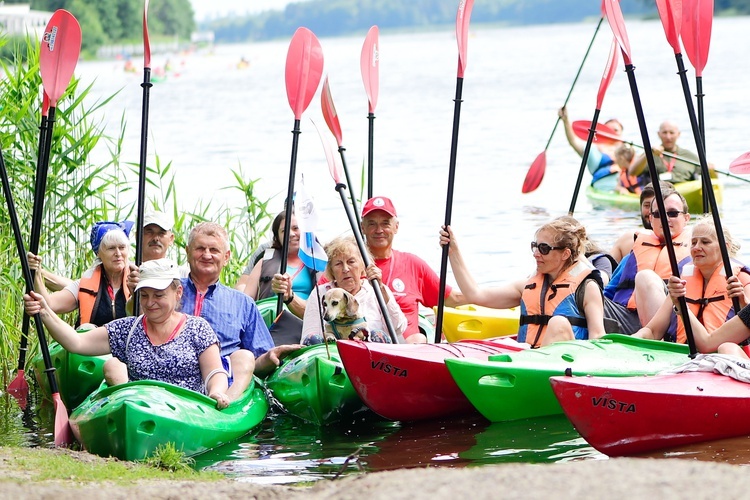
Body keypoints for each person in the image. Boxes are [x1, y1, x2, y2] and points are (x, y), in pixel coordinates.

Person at [23, 258, 231, 409]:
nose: (150, 303)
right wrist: (45, 312)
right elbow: (77, 342)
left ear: (177, 293)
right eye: (145, 295)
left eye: (159, 295)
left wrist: (216, 392)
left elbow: (215, 372)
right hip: (142, 410)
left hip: (188, 410)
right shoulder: (128, 329)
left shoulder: (198, 328)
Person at [440, 217, 622, 348]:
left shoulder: (587, 287)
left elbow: (597, 336)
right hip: (529, 360)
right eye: (535, 246)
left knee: (558, 323)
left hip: (567, 367)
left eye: (544, 248)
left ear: (565, 254)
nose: (536, 253)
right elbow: (475, 295)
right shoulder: (527, 286)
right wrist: (453, 251)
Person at [361, 196, 465, 343]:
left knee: (419, 338)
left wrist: (493, 301)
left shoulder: (412, 263)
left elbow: (453, 299)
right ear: (362, 228)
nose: (379, 230)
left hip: (408, 349)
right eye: (372, 224)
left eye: (385, 223)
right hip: (367, 344)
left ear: (396, 227)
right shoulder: (350, 265)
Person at [635, 217, 750, 344]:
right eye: (694, 242)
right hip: (682, 352)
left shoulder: (741, 281)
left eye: (705, 242)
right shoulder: (683, 282)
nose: (696, 248)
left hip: (721, 353)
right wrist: (632, 339)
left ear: (725, 247)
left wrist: (744, 304)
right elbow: (653, 331)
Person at [604, 187, 692, 332]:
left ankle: (655, 340)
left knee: (646, 277)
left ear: (686, 218)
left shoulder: (696, 251)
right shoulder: (634, 253)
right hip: (626, 317)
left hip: (670, 321)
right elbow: (608, 292)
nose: (665, 218)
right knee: (586, 291)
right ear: (650, 219)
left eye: (672, 213)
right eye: (658, 214)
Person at [301, 236, 407, 345]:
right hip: (332, 356)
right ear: (331, 270)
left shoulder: (376, 290)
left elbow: (398, 328)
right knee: (312, 338)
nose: (345, 269)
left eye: (351, 262)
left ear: (362, 265)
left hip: (372, 355)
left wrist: (381, 289)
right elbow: (309, 338)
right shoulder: (320, 293)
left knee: (378, 335)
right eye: (338, 264)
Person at [28, 221, 134, 329]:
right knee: (87, 328)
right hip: (93, 343)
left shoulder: (138, 279)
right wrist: (36, 273)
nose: (118, 253)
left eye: (122, 247)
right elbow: (48, 304)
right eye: (111, 248)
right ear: (98, 253)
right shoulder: (84, 284)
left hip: (130, 344)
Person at [235, 211, 316, 319]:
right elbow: (246, 301)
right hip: (270, 320)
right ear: (277, 237)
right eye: (284, 231)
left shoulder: (317, 261)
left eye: (296, 228)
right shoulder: (263, 262)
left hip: (304, 320)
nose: (291, 234)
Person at [558, 106, 624, 191]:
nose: (611, 133)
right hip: (605, 188)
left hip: (628, 188)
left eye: (615, 130)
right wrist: (566, 120)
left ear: (621, 133)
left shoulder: (631, 149)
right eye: (608, 130)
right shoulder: (592, 150)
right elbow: (573, 141)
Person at [629, 121, 701, 184]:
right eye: (664, 133)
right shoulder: (651, 154)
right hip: (660, 191)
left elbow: (708, 177)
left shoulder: (690, 156)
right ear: (659, 134)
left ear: (678, 134)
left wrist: (710, 170)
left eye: (672, 133)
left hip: (684, 191)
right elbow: (632, 172)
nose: (668, 137)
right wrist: (648, 153)